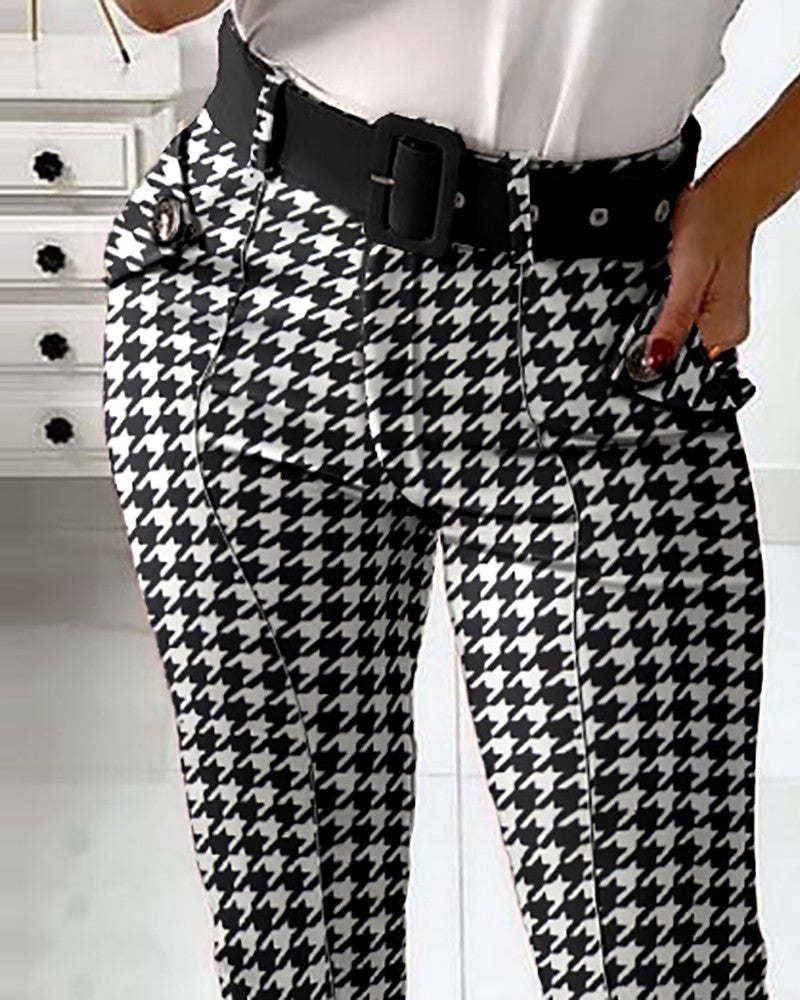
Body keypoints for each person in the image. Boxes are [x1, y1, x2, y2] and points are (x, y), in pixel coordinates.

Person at [102, 2, 800, 997]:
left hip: (604, 315)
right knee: (297, 953)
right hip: (269, 269)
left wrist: (744, 193)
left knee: (659, 957)